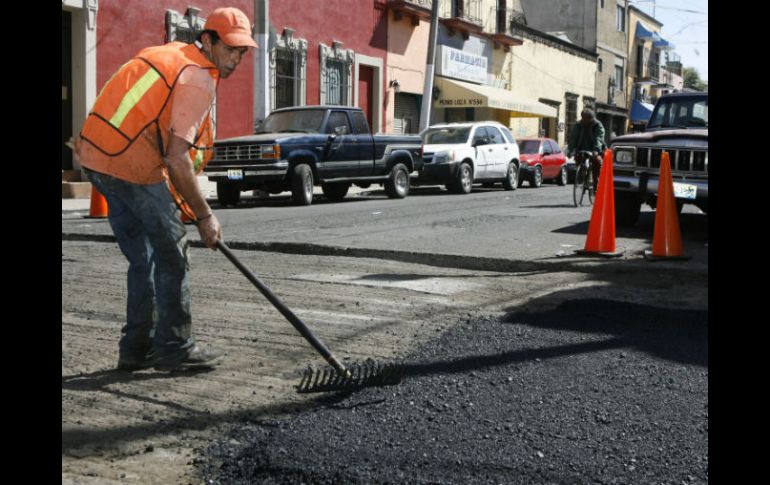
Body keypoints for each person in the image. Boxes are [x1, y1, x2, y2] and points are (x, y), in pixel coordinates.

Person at [74, 7, 258, 372]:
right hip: (130, 164)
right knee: (172, 253)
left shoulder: (170, 54)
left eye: (242, 51)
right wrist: (204, 216)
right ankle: (175, 348)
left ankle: (135, 349)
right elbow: (176, 159)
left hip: (96, 159)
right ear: (208, 40)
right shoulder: (197, 78)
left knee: (144, 259)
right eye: (231, 49)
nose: (236, 58)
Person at [566, 108, 606, 186]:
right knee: (578, 158)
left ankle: (596, 183)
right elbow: (573, 138)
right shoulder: (578, 125)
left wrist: (596, 150)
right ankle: (581, 175)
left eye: (588, 118)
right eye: (583, 118)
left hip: (594, 149)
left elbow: (599, 138)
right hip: (581, 148)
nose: (585, 120)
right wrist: (570, 150)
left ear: (591, 118)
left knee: (597, 163)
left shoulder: (597, 125)